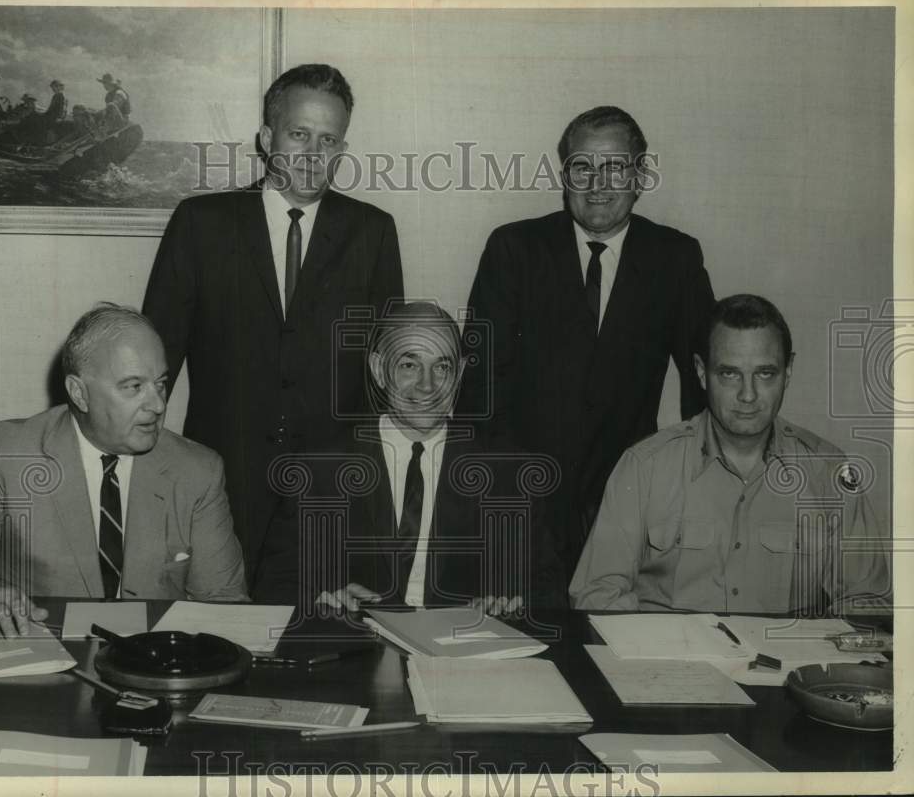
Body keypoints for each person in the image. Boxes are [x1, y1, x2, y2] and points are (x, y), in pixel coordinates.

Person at [143, 63, 403, 596]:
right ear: (267, 138)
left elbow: (387, 375)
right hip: (222, 479)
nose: (313, 154)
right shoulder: (202, 223)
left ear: (343, 148)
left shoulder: (373, 232)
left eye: (328, 140)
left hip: (331, 490)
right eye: (298, 134)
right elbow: (154, 363)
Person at [460, 105, 715, 575]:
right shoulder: (514, 249)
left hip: (628, 499)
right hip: (521, 501)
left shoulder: (674, 259)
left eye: (614, 167)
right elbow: (479, 387)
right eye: (583, 167)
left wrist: (688, 485)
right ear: (565, 176)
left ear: (640, 177)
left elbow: (704, 384)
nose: (597, 183)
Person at [0, 304, 248, 638]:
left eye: (160, 383)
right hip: (43, 661)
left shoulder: (198, 471)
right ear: (79, 393)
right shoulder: (9, 451)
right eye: (133, 386)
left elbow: (224, 605)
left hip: (154, 666)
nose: (158, 405)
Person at [569, 294, 890, 614]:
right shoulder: (644, 468)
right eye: (729, 373)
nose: (747, 395)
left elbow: (868, 606)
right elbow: (596, 597)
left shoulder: (830, 476)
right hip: (670, 661)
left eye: (765, 374)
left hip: (788, 662)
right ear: (700, 372)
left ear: (788, 371)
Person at [255, 302, 564, 615]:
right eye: (409, 365)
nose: (427, 386)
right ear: (379, 370)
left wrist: (508, 606)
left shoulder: (507, 472)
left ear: (458, 376)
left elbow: (547, 591)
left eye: (442, 367)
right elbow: (274, 586)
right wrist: (323, 603)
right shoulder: (319, 468)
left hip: (463, 652)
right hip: (358, 649)